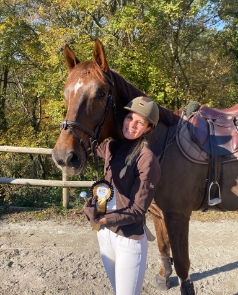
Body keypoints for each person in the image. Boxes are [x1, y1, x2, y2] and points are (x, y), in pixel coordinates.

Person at [83, 96, 161, 295]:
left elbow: (137, 211)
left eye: (140, 122)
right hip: (103, 233)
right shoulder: (112, 146)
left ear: (148, 128)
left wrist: (101, 218)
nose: (132, 125)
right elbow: (89, 138)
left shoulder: (147, 159)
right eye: (129, 118)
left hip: (128, 238)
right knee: (117, 289)